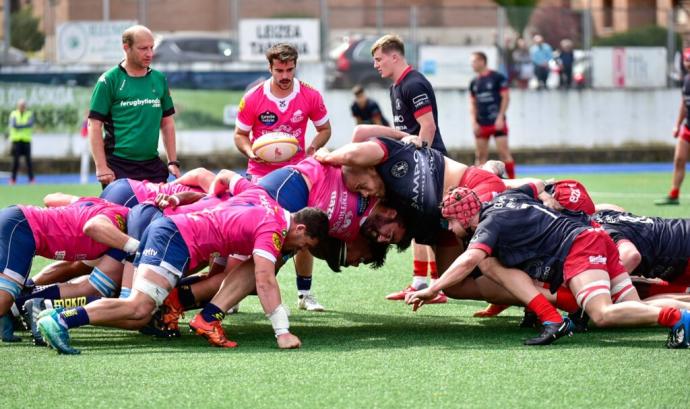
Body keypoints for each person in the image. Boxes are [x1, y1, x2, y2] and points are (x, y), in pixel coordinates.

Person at [37, 188, 330, 354]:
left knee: (140, 309)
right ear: (300, 227)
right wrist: (282, 332)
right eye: (303, 242)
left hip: (175, 234)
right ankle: (60, 319)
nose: (300, 248)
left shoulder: (267, 201)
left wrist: (179, 199)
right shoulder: (275, 228)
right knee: (139, 309)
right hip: (174, 238)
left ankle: (208, 318)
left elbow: (229, 181)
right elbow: (265, 281)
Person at [406, 185, 690, 348]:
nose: (450, 228)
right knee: (631, 304)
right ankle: (685, 311)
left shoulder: (489, 224)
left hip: (580, 247)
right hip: (594, 237)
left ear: (465, 217)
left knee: (602, 315)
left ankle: (674, 319)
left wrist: (434, 288)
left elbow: (469, 260)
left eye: (450, 222)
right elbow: (537, 186)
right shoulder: (507, 197)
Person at [233, 42, 331, 311]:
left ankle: (305, 294)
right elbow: (239, 135)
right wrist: (250, 151)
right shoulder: (253, 97)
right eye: (279, 70)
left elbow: (324, 129)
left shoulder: (309, 95)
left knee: (304, 232)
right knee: (247, 235)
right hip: (260, 177)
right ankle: (234, 295)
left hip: (297, 177)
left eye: (289, 69)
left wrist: (313, 148)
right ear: (270, 68)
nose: (285, 75)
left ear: (295, 66)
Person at [371, 33, 448, 303]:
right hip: (415, 162)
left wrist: (421, 164)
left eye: (379, 59)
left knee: (430, 223)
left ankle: (437, 286)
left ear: (395, 56)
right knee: (415, 222)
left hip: (429, 162)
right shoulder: (396, 87)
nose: (376, 65)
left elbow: (428, 126)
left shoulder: (414, 84)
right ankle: (419, 282)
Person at [88, 25, 180, 188]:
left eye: (152, 47)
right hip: (118, 166)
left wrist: (173, 161)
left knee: (158, 212)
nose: (150, 54)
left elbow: (167, 123)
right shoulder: (109, 80)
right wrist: (101, 167)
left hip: (152, 166)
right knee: (121, 213)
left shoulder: (159, 79)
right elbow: (94, 125)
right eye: (143, 48)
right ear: (126, 47)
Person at [469, 51, 515, 178]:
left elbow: (506, 98)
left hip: (497, 122)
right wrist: (474, 122)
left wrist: (500, 117)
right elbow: (472, 103)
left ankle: (514, 183)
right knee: (480, 156)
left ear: (482, 61)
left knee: (504, 154)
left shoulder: (497, 78)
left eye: (473, 61)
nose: (471, 65)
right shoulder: (474, 82)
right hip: (481, 123)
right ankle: (479, 183)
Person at [656, 47, 690, 205]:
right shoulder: (686, 80)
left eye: (689, 60)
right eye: (686, 60)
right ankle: (674, 194)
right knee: (679, 160)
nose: (687, 63)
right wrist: (677, 125)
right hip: (687, 127)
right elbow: (684, 104)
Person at [8, 99, 35, 185]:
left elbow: (30, 124)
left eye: (23, 105)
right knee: (15, 162)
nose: (22, 107)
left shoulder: (29, 114)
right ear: (18, 106)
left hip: (26, 141)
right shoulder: (14, 114)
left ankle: (31, 179)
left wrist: (20, 126)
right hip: (16, 141)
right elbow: (14, 125)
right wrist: (24, 125)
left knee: (29, 162)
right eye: (21, 105)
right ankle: (13, 179)